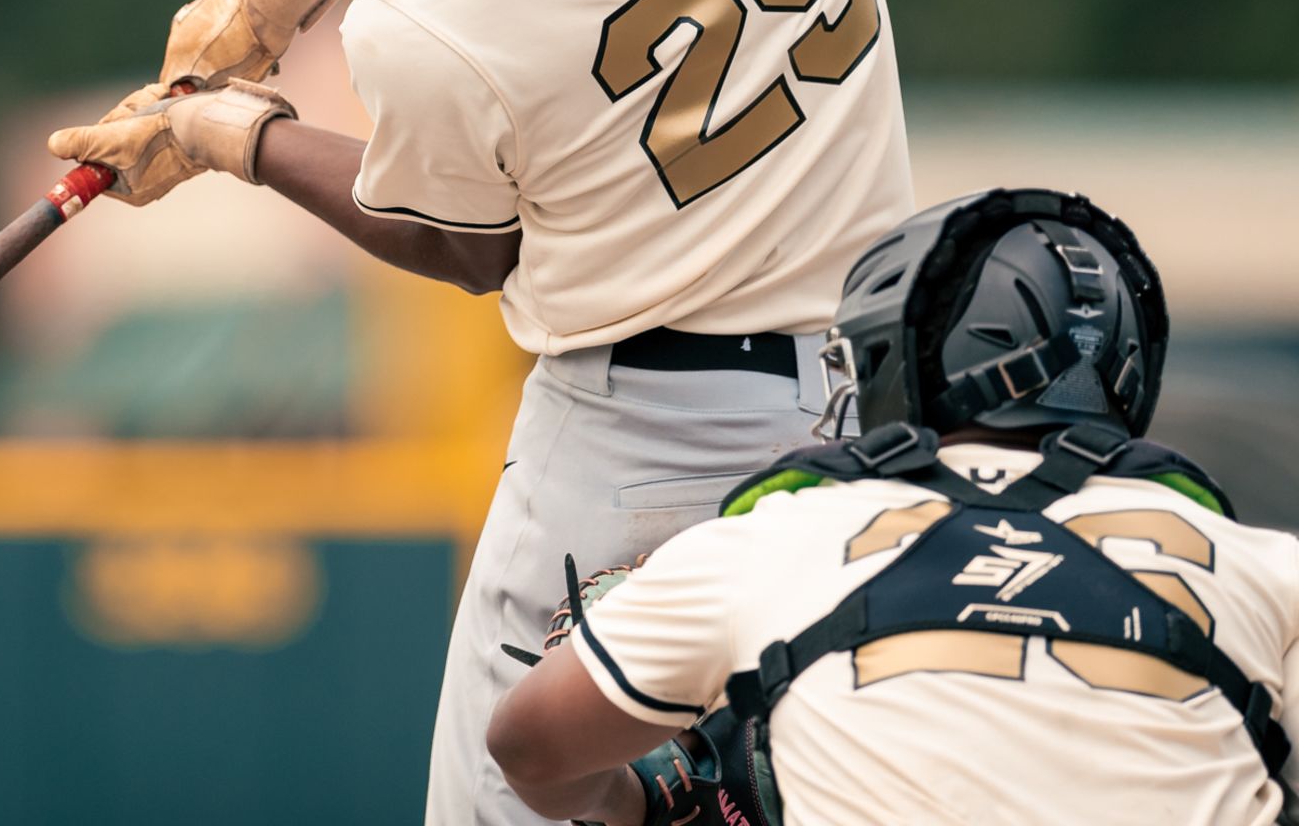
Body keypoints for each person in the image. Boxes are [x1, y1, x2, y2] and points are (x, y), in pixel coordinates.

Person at [45, 0, 913, 823]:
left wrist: (230, 132)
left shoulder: (427, 19)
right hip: (883, 419)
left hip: (646, 450)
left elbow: (462, 245)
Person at [485, 188, 1299, 826]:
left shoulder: (774, 542)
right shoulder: (1266, 567)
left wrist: (643, 804)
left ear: (901, 361)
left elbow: (527, 749)